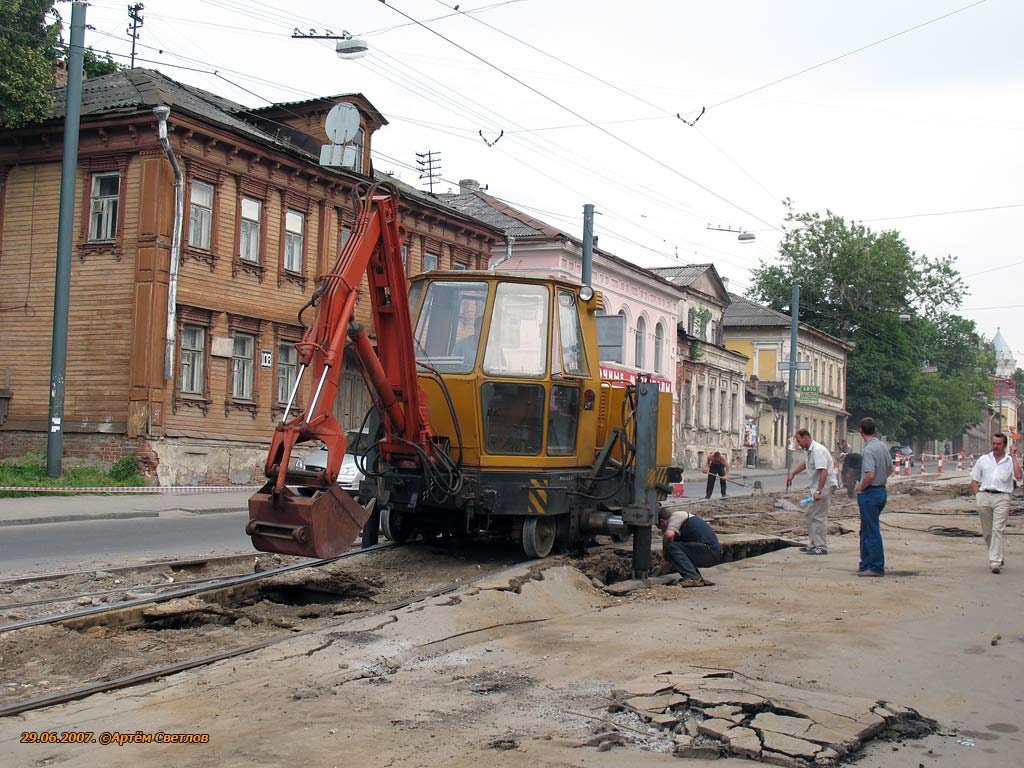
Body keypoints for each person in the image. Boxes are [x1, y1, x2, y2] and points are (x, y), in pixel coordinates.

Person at [969, 433, 1023, 574]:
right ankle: (998, 556)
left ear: (1004, 445)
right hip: (984, 496)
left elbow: (1018, 476)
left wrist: (1014, 456)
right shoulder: (983, 460)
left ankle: (995, 562)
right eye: (994, 444)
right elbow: (974, 480)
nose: (996, 447)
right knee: (988, 532)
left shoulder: (1010, 461)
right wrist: (978, 496)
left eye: (999, 444)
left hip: (1002, 498)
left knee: (998, 529)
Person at [786, 428, 839, 555]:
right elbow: (805, 464)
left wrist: (819, 491)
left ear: (806, 438)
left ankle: (821, 546)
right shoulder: (808, 451)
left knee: (818, 516)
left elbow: (824, 472)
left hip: (825, 486)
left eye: (799, 441)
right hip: (817, 486)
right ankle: (813, 543)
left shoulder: (818, 451)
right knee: (810, 515)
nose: (799, 444)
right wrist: (793, 473)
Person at [852, 417, 893, 577]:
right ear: (875, 430)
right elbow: (890, 468)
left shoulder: (869, 450)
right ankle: (865, 564)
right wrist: (881, 480)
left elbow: (869, 474)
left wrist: (860, 488)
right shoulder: (882, 446)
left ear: (861, 431)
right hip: (881, 491)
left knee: (871, 531)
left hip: (870, 492)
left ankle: (875, 566)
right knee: (867, 529)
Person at [659, 508, 722, 586]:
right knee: (674, 546)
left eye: (660, 527)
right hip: (710, 552)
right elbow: (680, 554)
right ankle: (697, 577)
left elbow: (669, 535)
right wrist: (665, 563)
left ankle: (692, 577)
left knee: (670, 546)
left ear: (662, 522)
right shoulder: (680, 525)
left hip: (709, 551)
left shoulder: (677, 516)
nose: (662, 531)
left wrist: (664, 553)